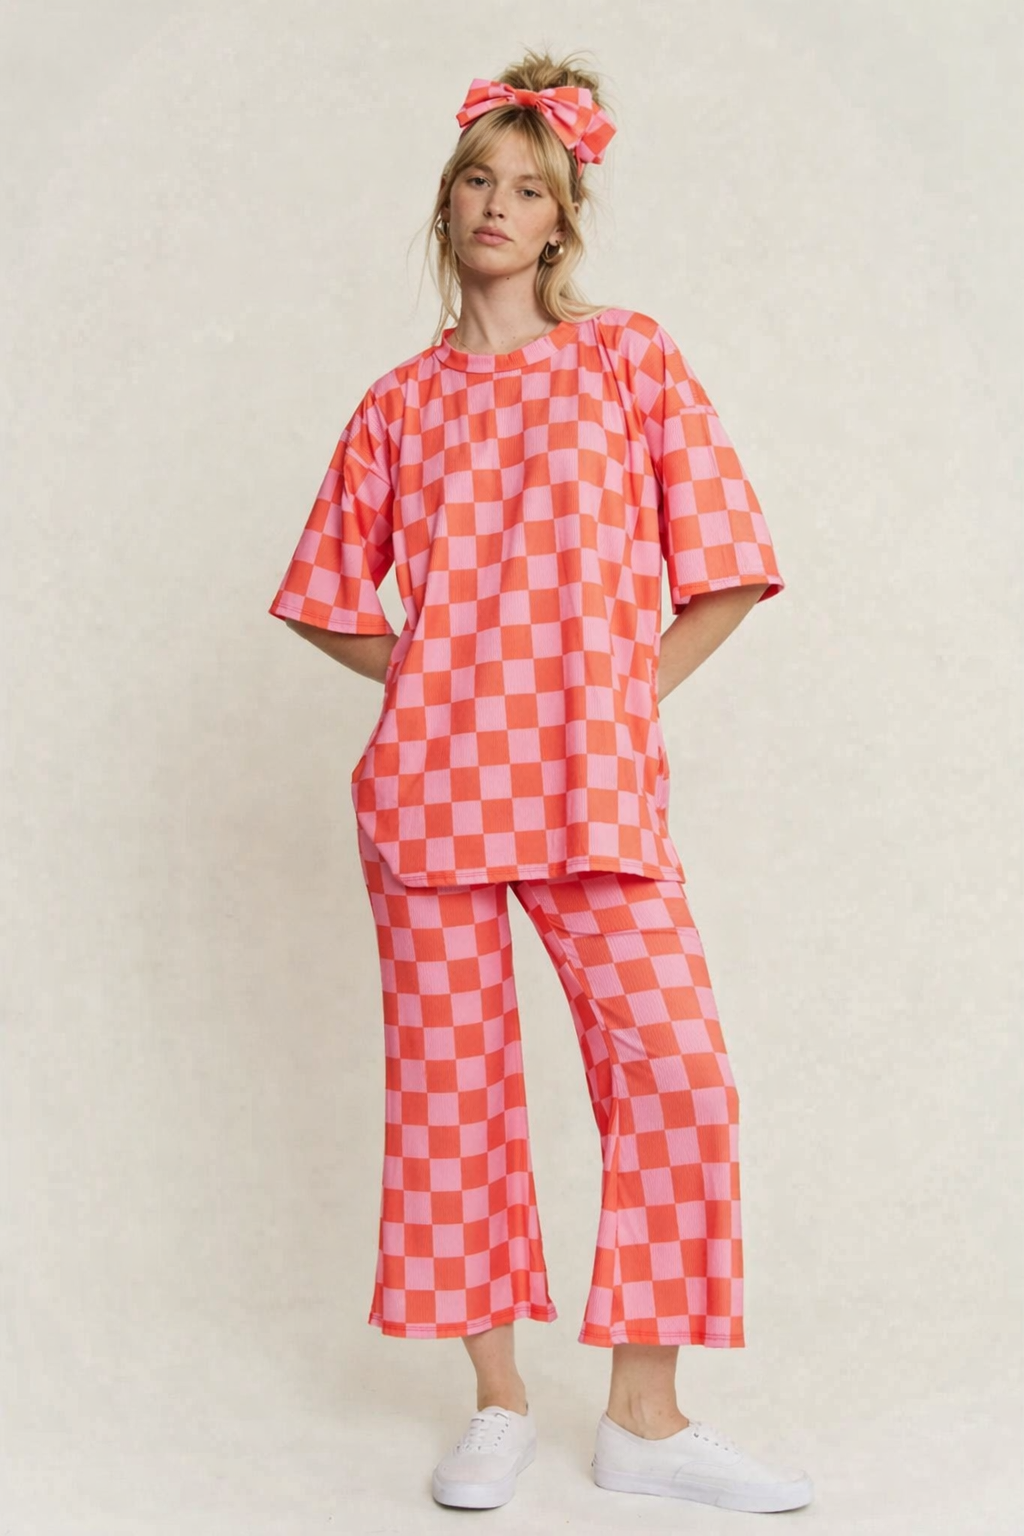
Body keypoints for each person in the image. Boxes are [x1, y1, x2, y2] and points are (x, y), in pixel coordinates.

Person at [268, 46, 812, 1517]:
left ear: (563, 219)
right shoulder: (398, 406)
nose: (497, 206)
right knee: (453, 1102)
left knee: (680, 1077)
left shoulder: (627, 359)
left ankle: (646, 1419)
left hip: (591, 787)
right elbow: (323, 593)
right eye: (476, 181)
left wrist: (616, 694)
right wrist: (431, 676)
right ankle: (498, 1403)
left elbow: (727, 565)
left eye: (527, 187)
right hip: (431, 792)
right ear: (445, 204)